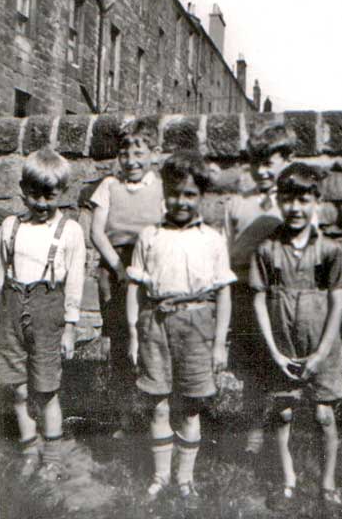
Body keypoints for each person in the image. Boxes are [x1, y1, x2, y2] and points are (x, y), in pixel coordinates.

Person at [126, 150, 236, 504]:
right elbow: (135, 289)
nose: (181, 201)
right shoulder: (150, 236)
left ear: (201, 196)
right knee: (158, 404)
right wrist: (133, 334)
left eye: (189, 194)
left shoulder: (213, 239)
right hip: (155, 324)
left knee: (190, 405)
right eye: (174, 193)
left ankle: (184, 480)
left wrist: (219, 343)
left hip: (197, 325)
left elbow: (223, 294)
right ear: (164, 193)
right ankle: (160, 476)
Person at [249, 162, 342, 510]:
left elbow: (337, 301)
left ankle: (327, 481)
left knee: (324, 415)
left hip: (321, 345)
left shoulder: (328, 250)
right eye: (288, 199)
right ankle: (288, 479)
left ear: (316, 202)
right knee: (284, 412)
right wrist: (274, 351)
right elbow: (259, 297)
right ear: (278, 201)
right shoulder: (267, 250)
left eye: (304, 200)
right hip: (283, 346)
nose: (295, 208)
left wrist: (321, 353)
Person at [0, 147, 86, 481]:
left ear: (62, 193)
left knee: (46, 390)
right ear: (22, 190)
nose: (41, 203)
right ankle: (29, 447)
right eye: (33, 194)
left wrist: (71, 328)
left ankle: (52, 457)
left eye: (50, 195)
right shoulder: (9, 226)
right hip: (10, 310)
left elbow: (74, 281)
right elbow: (0, 273)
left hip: (48, 313)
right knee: (16, 387)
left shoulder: (69, 231)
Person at [224, 122, 296, 457]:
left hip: (280, 296)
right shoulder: (239, 203)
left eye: (270, 162)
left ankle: (286, 434)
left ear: (287, 160)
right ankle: (253, 430)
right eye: (256, 163)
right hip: (244, 295)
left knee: (282, 363)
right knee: (251, 367)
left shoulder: (293, 204)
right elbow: (228, 251)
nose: (262, 170)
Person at [90, 118, 164, 435]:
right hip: (116, 265)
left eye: (139, 153)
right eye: (125, 153)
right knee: (121, 342)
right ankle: (123, 417)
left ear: (153, 154)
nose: (131, 161)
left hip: (151, 264)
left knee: (151, 338)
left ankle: (155, 415)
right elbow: (96, 232)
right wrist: (120, 270)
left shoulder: (162, 186)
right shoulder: (109, 186)